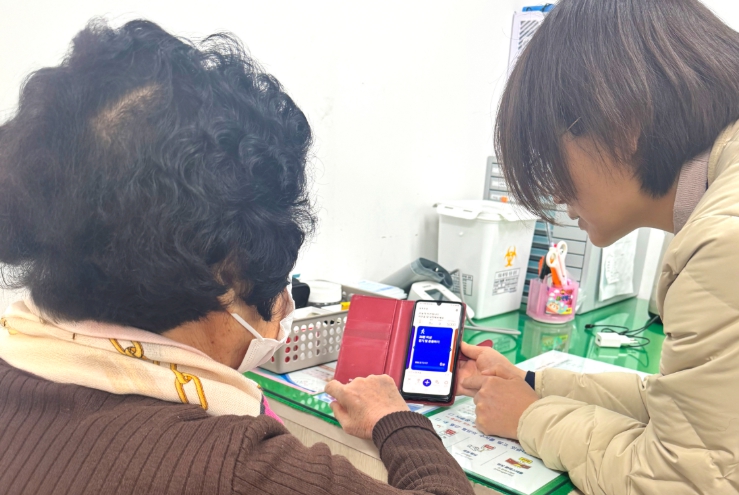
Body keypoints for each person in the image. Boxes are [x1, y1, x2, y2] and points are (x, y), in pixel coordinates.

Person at [0, 20, 474, 495]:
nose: (283, 303)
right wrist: (396, 420)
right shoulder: (236, 468)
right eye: (281, 277)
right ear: (227, 272)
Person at [456, 0, 739, 493]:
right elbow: (682, 407)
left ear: (622, 118)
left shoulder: (722, 238)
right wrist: (531, 383)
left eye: (551, 156)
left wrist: (530, 416)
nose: (556, 194)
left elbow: (681, 480)